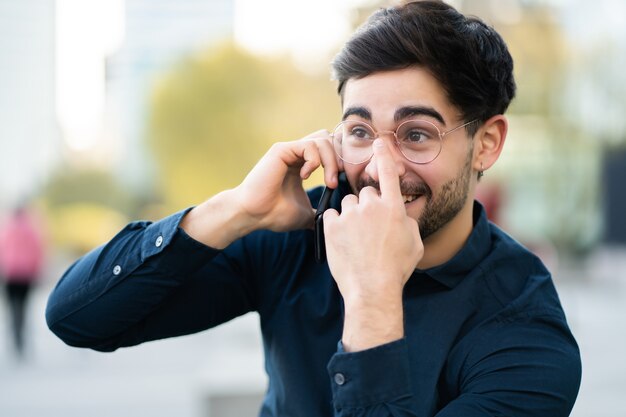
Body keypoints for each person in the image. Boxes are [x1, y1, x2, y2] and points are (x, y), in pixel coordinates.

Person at [45, 1, 581, 416]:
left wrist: (372, 298)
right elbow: (78, 318)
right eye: (359, 131)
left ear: (486, 143)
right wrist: (234, 210)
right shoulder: (299, 234)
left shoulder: (528, 338)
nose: (379, 167)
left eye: (417, 135)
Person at [0, 204, 45, 358]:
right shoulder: (31, 230)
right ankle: (22, 339)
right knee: (24, 309)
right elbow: (38, 251)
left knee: (12, 308)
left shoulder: (6, 229)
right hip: (26, 275)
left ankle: (15, 337)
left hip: (10, 274)